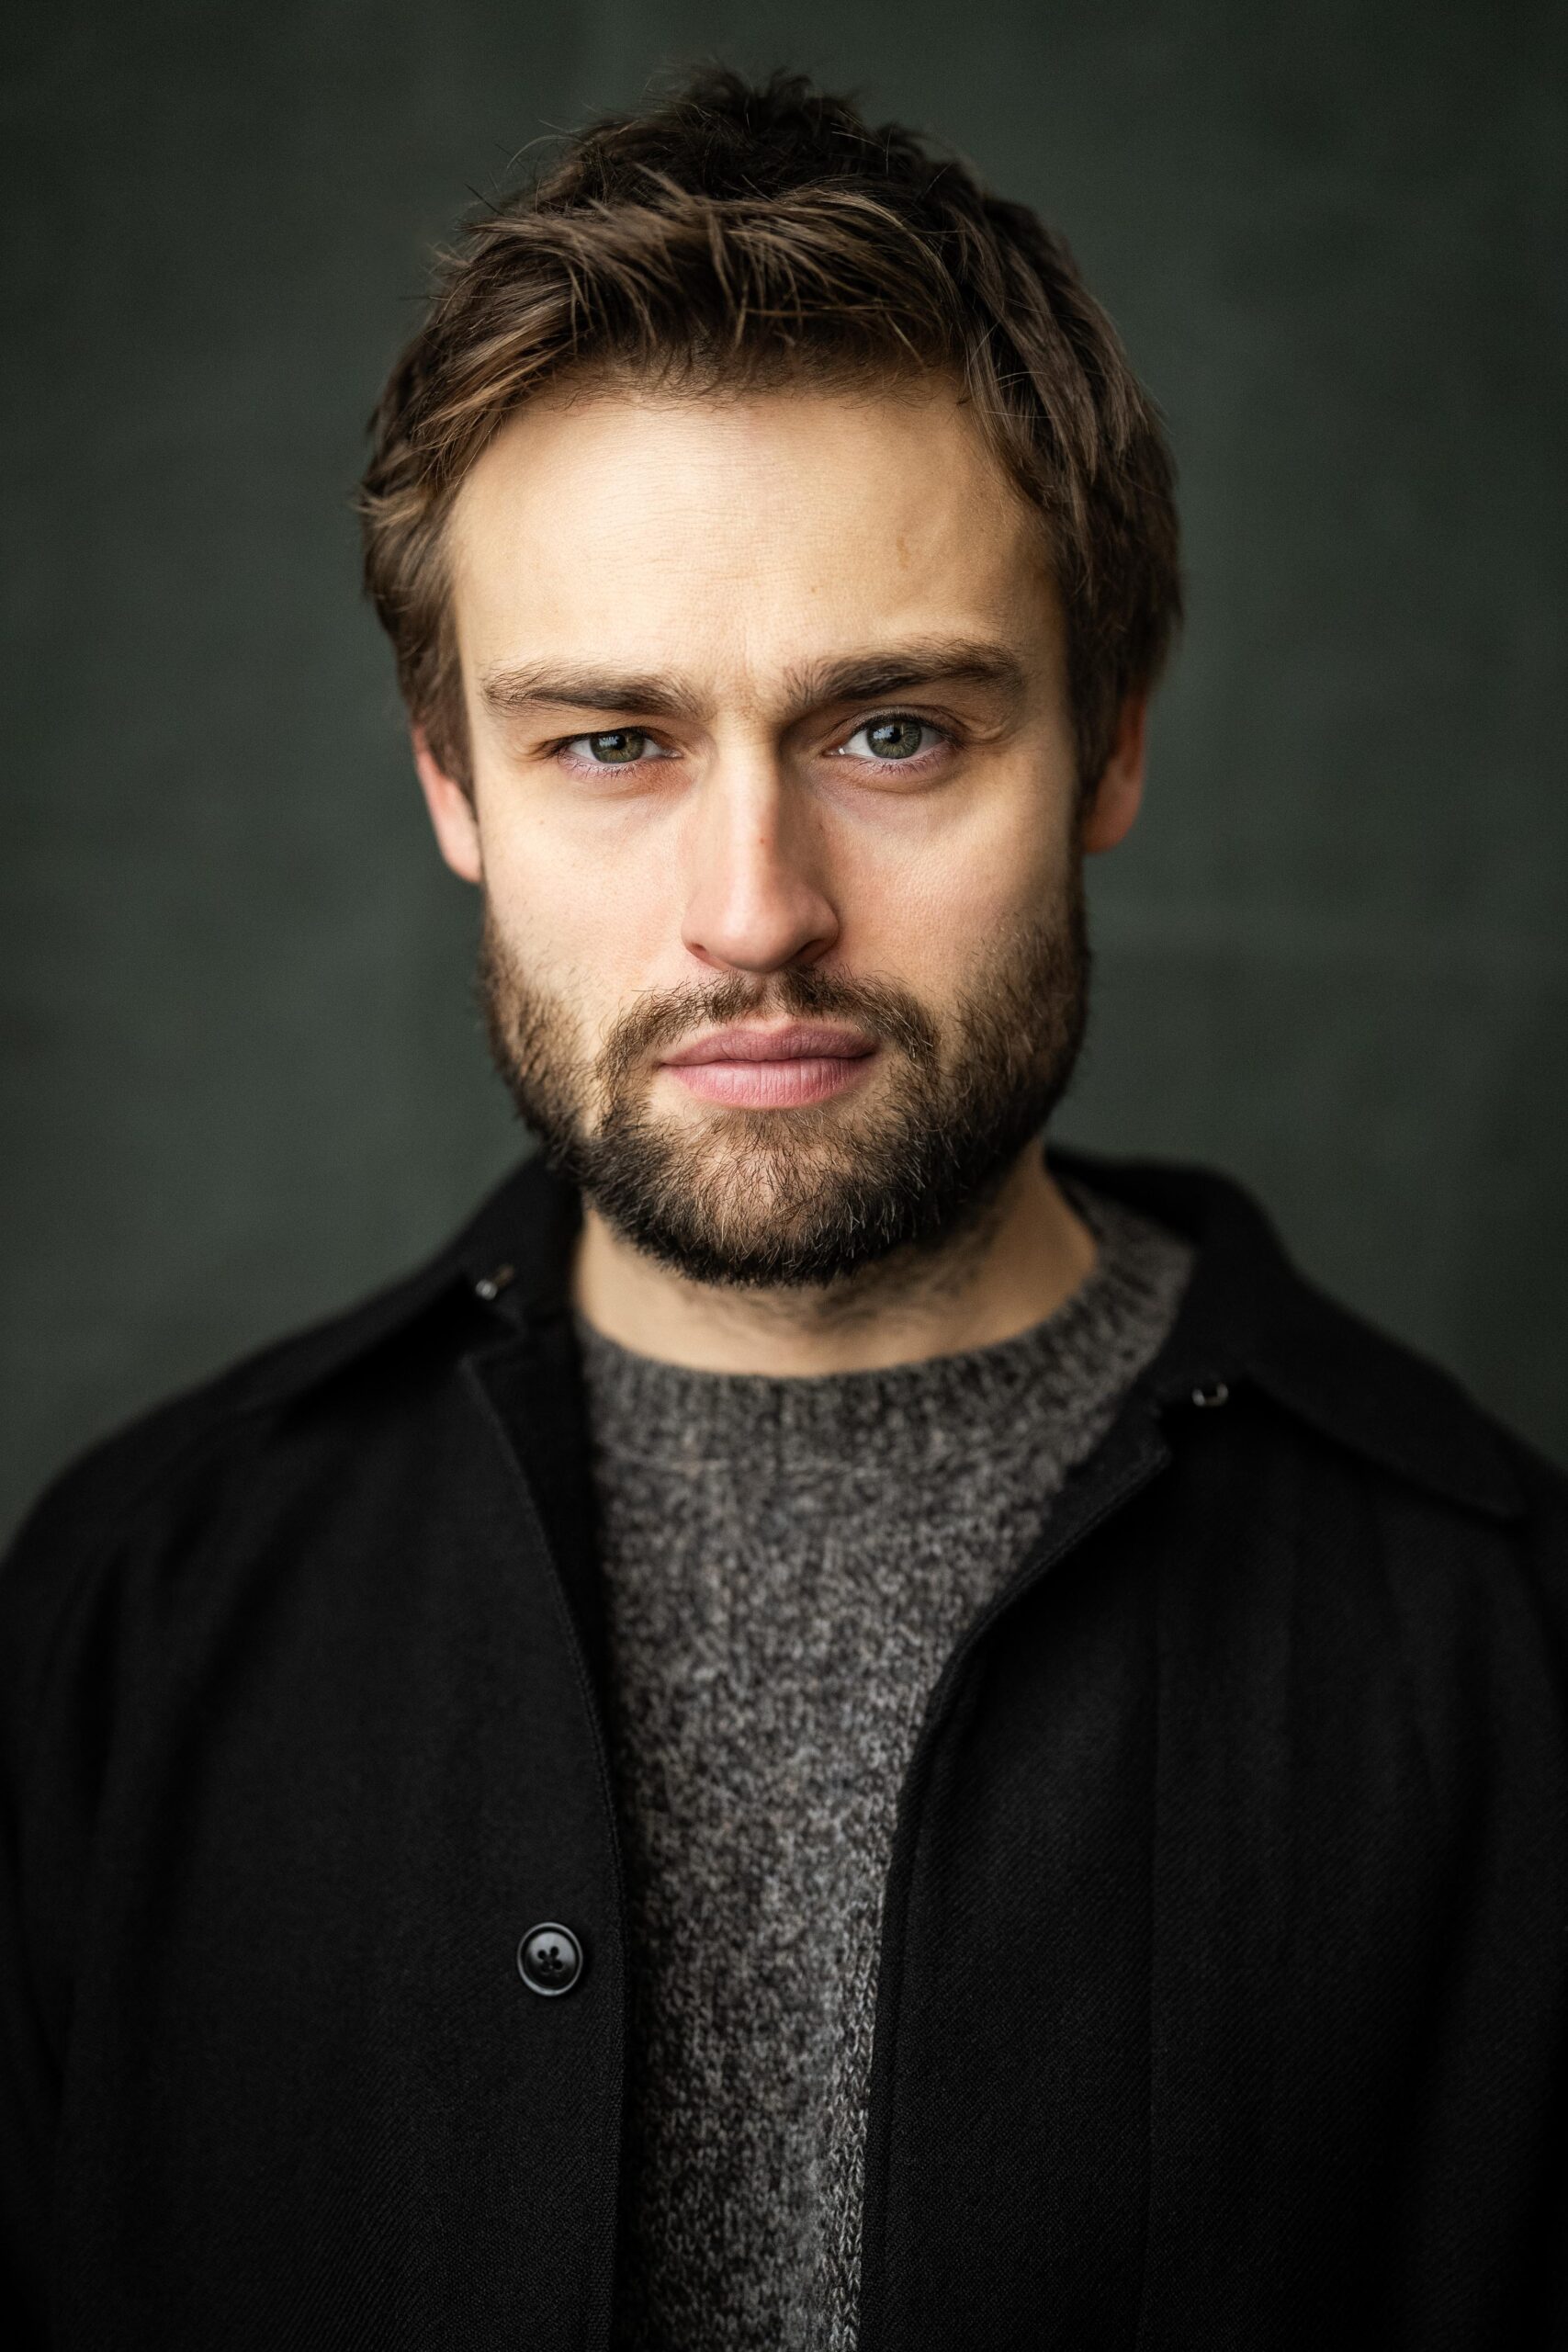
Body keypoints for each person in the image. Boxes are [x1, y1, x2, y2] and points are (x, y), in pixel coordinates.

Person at [2, 63, 1563, 2352]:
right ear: (452, 781)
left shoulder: (1509, 1660)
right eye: (609, 742)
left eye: (893, 731)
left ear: (1109, 738)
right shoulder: (122, 1626)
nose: (752, 911)